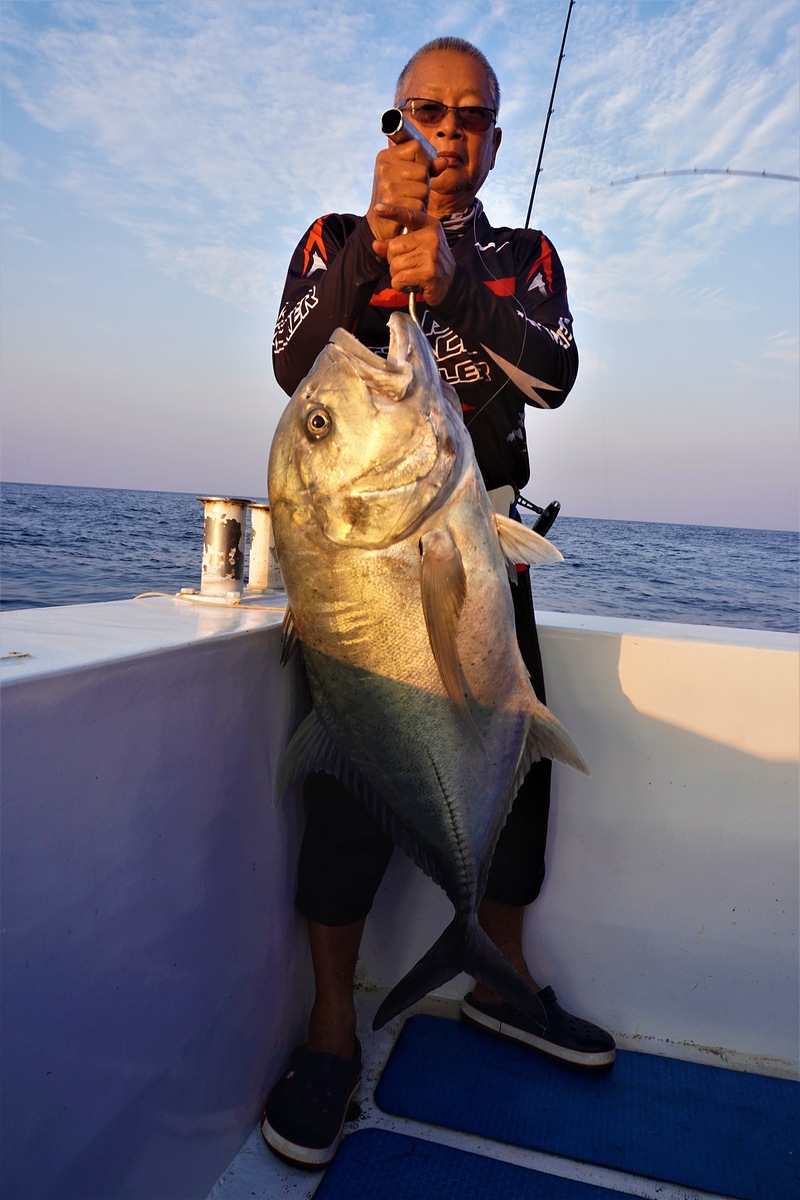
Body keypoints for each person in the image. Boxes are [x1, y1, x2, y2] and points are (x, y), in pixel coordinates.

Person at [261, 37, 614, 1169]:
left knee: (514, 795)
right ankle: (329, 1036)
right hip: (363, 570)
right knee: (347, 809)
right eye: (427, 110)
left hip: (479, 557)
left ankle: (498, 981)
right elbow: (291, 367)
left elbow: (552, 376)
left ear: (497, 140)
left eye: (471, 116)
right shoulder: (331, 239)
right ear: (391, 123)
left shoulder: (523, 255)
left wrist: (457, 284)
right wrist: (372, 249)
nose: (449, 131)